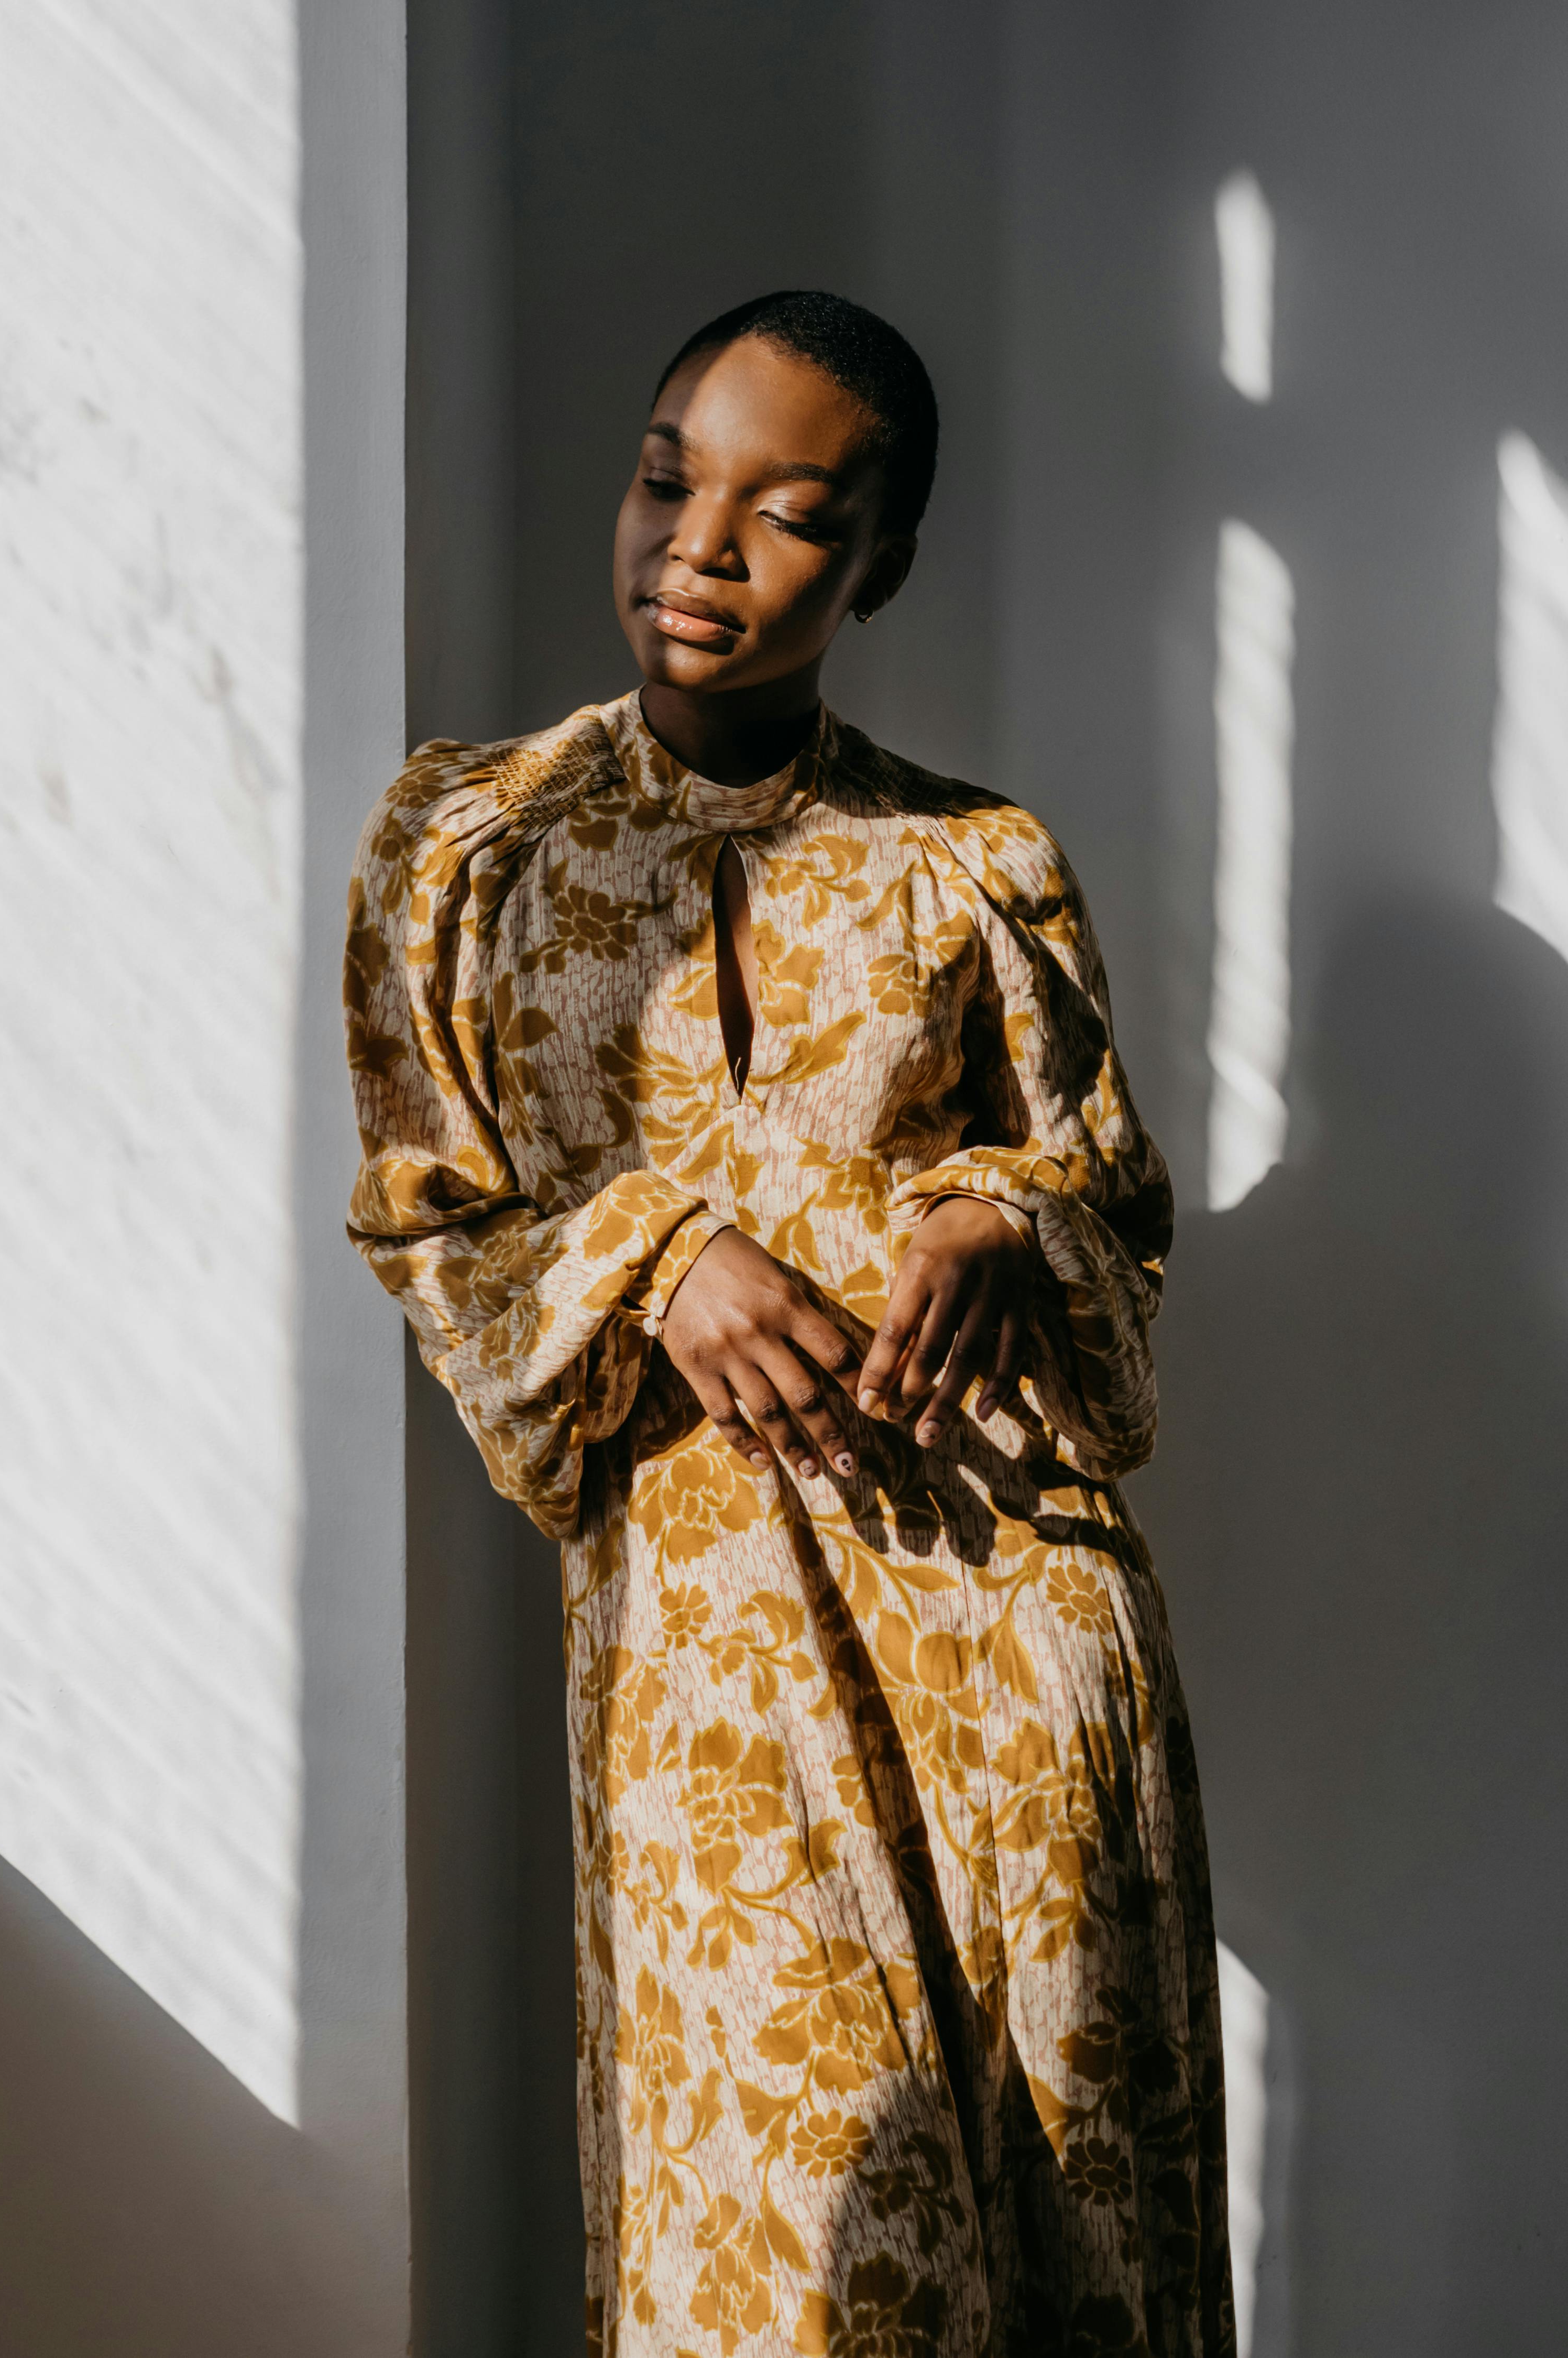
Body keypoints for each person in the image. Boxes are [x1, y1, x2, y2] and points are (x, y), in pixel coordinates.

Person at [345, 290, 1234, 2357]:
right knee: (799, 2256)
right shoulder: (463, 848)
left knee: (1073, 2241)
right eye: (670, 478)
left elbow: (1117, 1223)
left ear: (881, 564)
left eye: (788, 513)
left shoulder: (975, 864)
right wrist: (653, 1249)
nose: (698, 546)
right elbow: (427, 1222)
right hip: (714, 1657)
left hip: (1016, 1622)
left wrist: (996, 1212)